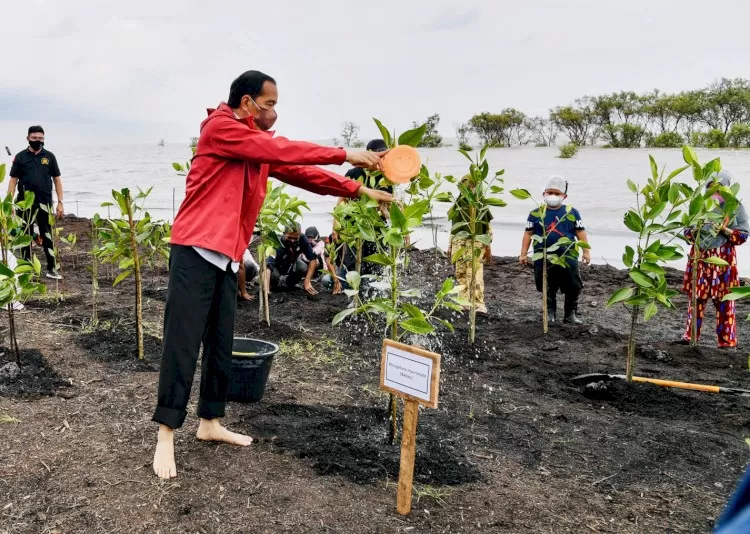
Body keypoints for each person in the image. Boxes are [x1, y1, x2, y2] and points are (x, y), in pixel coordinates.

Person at [152, 70, 392, 479]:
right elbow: (282, 149)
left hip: (226, 256)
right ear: (247, 103)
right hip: (194, 249)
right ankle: (165, 435)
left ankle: (209, 422)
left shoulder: (254, 145)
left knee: (220, 342)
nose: (275, 112)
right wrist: (346, 154)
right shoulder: (221, 129)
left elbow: (302, 172)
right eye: (270, 104)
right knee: (182, 343)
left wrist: (361, 191)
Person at [680, 170, 748, 349]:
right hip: (700, 258)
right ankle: (690, 336)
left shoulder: (735, 206)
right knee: (696, 298)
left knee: (725, 299)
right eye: (711, 188)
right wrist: (693, 232)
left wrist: (725, 230)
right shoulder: (699, 204)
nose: (715, 193)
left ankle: (726, 342)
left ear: (727, 188)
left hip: (723, 260)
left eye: (719, 189)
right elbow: (686, 231)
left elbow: (743, 235)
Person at [520, 175, 590, 324]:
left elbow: (580, 232)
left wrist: (586, 252)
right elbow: (528, 233)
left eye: (557, 193)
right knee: (547, 285)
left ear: (564, 196)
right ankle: (549, 313)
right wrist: (523, 254)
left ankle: (570, 314)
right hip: (543, 257)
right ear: (543, 193)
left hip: (568, 256)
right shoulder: (535, 213)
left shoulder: (572, 213)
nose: (553, 196)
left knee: (573, 285)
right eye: (549, 192)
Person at [8, 125, 64, 279]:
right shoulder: (20, 157)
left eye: (40, 138)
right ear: (28, 138)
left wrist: (60, 202)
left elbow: (57, 180)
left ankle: (52, 268)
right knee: (25, 235)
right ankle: (26, 269)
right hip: (24, 203)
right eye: (34, 138)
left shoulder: (50, 157)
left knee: (47, 235)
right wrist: (9, 203)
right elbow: (13, 181)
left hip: (45, 203)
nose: (37, 141)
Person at [447, 175, 493, 315]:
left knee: (475, 272)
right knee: (460, 272)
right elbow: (454, 227)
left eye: (473, 187)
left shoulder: (481, 204)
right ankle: (463, 301)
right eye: (467, 187)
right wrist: (450, 245)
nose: (470, 190)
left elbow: (487, 227)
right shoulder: (458, 204)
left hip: (476, 242)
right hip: (459, 242)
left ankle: (478, 303)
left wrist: (487, 246)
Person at [265, 222, 320, 295]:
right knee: (274, 277)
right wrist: (266, 288)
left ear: (300, 234)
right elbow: (268, 266)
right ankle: (272, 285)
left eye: (295, 238)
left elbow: (313, 258)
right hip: (276, 266)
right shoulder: (277, 242)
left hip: (291, 263)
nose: (292, 240)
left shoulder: (302, 239)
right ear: (284, 233)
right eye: (290, 237)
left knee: (303, 267)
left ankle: (290, 284)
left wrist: (307, 282)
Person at [303, 226, 342, 294]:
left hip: (318, 265)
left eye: (312, 238)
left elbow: (317, 251)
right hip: (307, 264)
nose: (310, 240)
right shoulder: (304, 243)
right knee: (326, 280)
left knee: (315, 258)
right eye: (308, 238)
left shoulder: (320, 244)